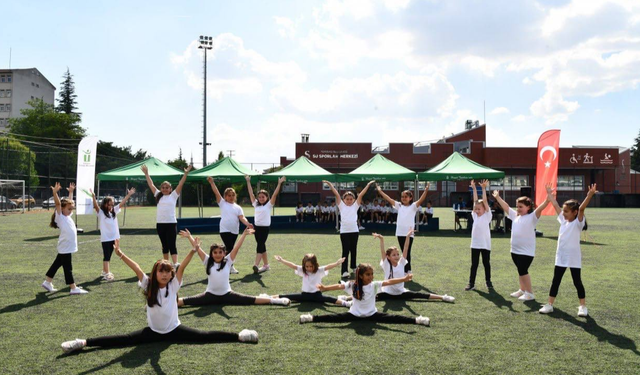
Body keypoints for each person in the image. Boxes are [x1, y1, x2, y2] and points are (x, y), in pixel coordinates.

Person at [60, 238, 258, 353]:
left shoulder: (173, 285)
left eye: (167, 271)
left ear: (171, 274)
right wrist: (120, 254)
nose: (164, 274)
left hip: (175, 329)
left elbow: (184, 267)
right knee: (124, 339)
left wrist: (192, 250)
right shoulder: (148, 284)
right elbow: (137, 268)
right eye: (161, 271)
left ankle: (239, 336)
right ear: (154, 274)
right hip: (153, 332)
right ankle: (83, 342)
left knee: (203, 336)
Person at [177, 228, 290, 307]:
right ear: (211, 254)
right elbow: (197, 249)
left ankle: (275, 301)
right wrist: (189, 237)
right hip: (209, 295)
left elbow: (236, 248)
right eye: (215, 252)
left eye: (220, 252)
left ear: (224, 253)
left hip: (228, 294)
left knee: (251, 299)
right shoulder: (208, 261)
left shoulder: (227, 261)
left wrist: (244, 235)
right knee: (183, 301)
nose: (217, 254)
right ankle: (165, 303)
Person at [299, 263, 430, 326]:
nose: (371, 277)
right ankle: (311, 318)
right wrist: (325, 288)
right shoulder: (353, 285)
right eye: (368, 274)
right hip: (354, 314)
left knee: (394, 318)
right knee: (334, 318)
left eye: (372, 274)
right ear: (361, 275)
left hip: (372, 314)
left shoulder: (374, 285)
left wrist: (404, 279)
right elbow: (340, 286)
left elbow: (388, 281)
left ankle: (417, 320)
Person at [539, 184, 597, 317]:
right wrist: (549, 193)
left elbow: (582, 208)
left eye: (566, 211)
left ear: (574, 213)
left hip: (573, 257)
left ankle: (582, 306)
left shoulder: (578, 223)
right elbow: (555, 205)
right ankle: (550, 304)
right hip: (561, 257)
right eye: (563, 211)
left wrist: (589, 195)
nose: (563, 213)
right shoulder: (563, 221)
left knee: (577, 281)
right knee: (556, 281)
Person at [493, 187, 552, 301]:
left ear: (528, 207)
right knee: (520, 271)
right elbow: (506, 207)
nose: (518, 209)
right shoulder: (515, 216)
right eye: (517, 206)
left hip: (526, 251)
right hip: (514, 250)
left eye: (521, 207)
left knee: (523, 270)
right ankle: (522, 290)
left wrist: (547, 200)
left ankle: (530, 293)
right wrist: (498, 197)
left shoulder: (532, 217)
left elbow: (540, 209)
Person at [373, 231, 454, 302]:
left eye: (397, 254)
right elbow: (382, 251)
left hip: (401, 292)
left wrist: (408, 237)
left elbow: (405, 248)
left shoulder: (401, 263)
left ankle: (443, 297)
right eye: (393, 255)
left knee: (420, 295)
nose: (397, 256)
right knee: (372, 297)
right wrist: (381, 239)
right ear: (388, 257)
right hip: (388, 293)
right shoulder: (386, 264)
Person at [141, 163, 192, 268]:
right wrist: (147, 174)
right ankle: (166, 264)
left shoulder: (173, 196)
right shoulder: (158, 195)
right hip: (160, 224)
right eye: (163, 187)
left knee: (172, 244)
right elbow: (151, 184)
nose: (164, 189)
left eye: (167, 187)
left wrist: (185, 173)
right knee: (164, 245)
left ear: (170, 189)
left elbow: (180, 184)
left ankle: (175, 264)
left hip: (171, 224)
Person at [323, 180, 375, 279]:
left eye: (351, 199)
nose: (349, 200)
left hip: (355, 231)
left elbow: (361, 195)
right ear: (344, 199)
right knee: (345, 251)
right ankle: (344, 271)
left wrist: (368, 185)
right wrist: (330, 184)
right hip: (344, 232)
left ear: (354, 199)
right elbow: (336, 193)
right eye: (347, 199)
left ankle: (353, 267)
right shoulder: (341, 205)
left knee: (353, 249)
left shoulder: (356, 206)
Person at [42, 182, 88, 295]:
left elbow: (68, 203)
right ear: (62, 209)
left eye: (72, 209)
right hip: (65, 246)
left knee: (57, 264)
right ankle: (73, 287)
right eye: (69, 209)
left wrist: (71, 192)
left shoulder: (67, 215)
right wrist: (55, 193)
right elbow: (58, 204)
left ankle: (47, 282)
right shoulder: (60, 217)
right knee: (68, 268)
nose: (71, 210)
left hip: (66, 246)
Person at [376, 182, 430, 274]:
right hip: (400, 232)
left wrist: (426, 190)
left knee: (407, 251)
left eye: (406, 197)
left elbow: (421, 200)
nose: (404, 198)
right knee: (403, 251)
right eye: (402, 197)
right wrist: (380, 191)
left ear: (410, 198)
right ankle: (405, 269)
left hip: (409, 232)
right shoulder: (399, 205)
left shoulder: (413, 206)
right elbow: (389, 199)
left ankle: (408, 270)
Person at [208, 176, 253, 274]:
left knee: (230, 249)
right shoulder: (223, 203)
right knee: (230, 248)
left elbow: (242, 217)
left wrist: (248, 223)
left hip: (234, 231)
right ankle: (229, 266)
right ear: (225, 197)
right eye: (229, 195)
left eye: (233, 195)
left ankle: (224, 265)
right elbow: (216, 192)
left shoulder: (238, 207)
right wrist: (212, 183)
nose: (231, 197)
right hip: (224, 230)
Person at [89, 187, 136, 281]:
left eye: (112, 204)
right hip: (106, 239)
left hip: (114, 238)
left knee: (109, 255)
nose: (110, 206)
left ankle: (104, 271)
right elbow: (95, 206)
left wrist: (129, 195)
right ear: (104, 204)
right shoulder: (101, 213)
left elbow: (122, 203)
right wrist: (93, 196)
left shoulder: (113, 211)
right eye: (109, 204)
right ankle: (107, 274)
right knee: (107, 256)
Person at [268, 254, 350, 306]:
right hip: (305, 295)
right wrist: (282, 260)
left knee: (329, 299)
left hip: (317, 295)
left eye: (311, 266)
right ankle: (269, 297)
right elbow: (293, 266)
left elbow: (328, 266)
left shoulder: (319, 270)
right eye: (307, 266)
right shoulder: (303, 270)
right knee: (289, 296)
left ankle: (345, 303)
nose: (309, 268)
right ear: (304, 265)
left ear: (315, 264)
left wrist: (337, 263)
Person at [245, 175, 285, 274]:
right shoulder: (256, 204)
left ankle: (256, 265)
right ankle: (266, 265)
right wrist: (248, 181)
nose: (261, 198)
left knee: (260, 245)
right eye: (259, 197)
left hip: (265, 228)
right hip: (256, 228)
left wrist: (279, 183)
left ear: (267, 197)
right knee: (262, 246)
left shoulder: (269, 205)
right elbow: (251, 193)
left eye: (263, 197)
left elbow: (275, 195)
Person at [465, 180, 493, 291]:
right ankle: (471, 283)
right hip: (475, 245)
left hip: (485, 244)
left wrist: (483, 188)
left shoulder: (487, 215)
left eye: (479, 209)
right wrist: (474, 188)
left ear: (484, 209)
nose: (476, 210)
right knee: (474, 264)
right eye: (475, 209)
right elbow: (475, 201)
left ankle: (488, 281)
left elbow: (484, 201)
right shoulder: (475, 215)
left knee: (486, 263)